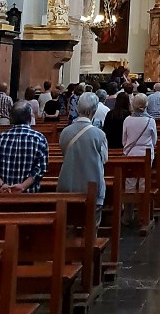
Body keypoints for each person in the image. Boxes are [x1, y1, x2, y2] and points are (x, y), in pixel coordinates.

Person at [58, 93, 108, 226]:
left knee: (68, 224)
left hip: (67, 185)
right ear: (94, 110)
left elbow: (64, 153)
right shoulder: (99, 134)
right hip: (92, 185)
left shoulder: (65, 132)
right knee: (92, 225)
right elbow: (104, 159)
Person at [0, 101, 48, 193]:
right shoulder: (39, 139)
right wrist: (23, 186)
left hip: (3, 195)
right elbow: (41, 168)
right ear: (30, 117)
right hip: (29, 195)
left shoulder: (0, 138)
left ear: (11, 118)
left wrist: (2, 185)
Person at [123, 94, 157, 160]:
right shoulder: (151, 121)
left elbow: (124, 140)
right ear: (146, 105)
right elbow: (154, 141)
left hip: (131, 153)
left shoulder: (127, 120)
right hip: (147, 154)